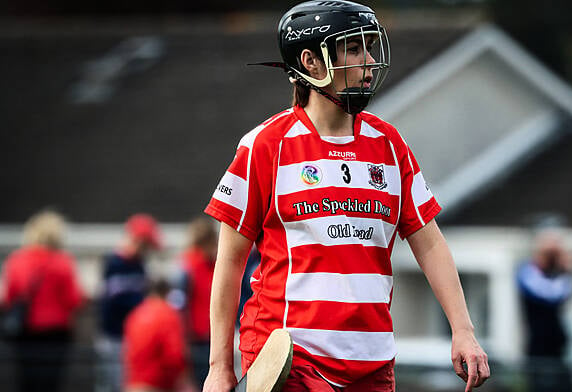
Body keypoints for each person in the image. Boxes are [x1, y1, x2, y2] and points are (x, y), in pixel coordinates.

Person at [202, 2, 490, 391]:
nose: (369, 62)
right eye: (354, 49)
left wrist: (463, 329)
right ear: (311, 61)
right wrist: (220, 366)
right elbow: (230, 261)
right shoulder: (264, 146)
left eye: (370, 47)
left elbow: (431, 244)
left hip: (372, 365)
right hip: (291, 360)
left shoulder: (389, 145)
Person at [0, 210, 83, 392]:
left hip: (25, 331)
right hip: (56, 332)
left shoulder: (17, 260)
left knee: (27, 380)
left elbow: (8, 298)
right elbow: (73, 300)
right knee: (51, 382)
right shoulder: (62, 262)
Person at [96, 213, 162, 392]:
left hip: (131, 338)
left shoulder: (139, 264)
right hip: (113, 336)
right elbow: (118, 300)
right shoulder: (114, 263)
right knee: (111, 384)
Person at [516, 228, 572, 392]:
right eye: (549, 254)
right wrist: (565, 271)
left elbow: (565, 292)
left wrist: (564, 270)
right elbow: (551, 294)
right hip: (538, 349)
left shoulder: (556, 276)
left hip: (557, 348)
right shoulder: (527, 273)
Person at [123, 279, 192, 392]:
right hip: (158, 385)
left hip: (133, 385)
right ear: (166, 293)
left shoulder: (135, 315)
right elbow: (175, 357)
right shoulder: (168, 314)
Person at [177, 217, 218, 389]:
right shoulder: (188, 267)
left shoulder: (211, 265)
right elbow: (180, 306)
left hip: (210, 336)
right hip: (197, 340)